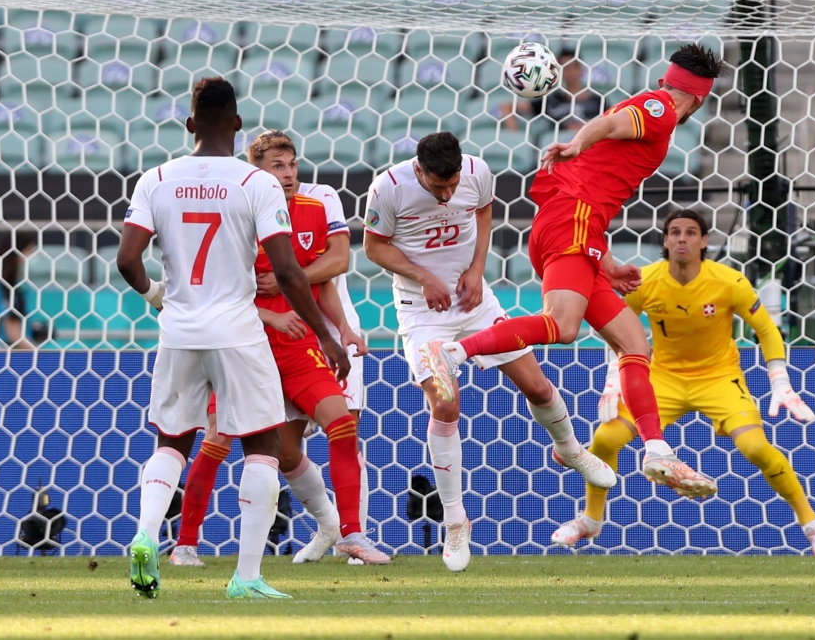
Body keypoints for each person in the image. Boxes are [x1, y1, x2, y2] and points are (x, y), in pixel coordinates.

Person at [421, 44, 729, 500]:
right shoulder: (660, 107)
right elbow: (606, 125)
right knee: (563, 327)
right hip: (573, 218)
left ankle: (657, 450)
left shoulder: (656, 106)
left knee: (634, 344)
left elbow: (603, 169)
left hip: (579, 226)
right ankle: (451, 354)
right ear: (700, 99)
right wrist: (578, 140)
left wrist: (603, 260)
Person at [118, 77, 350, 600]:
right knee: (263, 447)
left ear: (189, 124)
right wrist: (326, 336)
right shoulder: (256, 184)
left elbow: (126, 260)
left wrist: (158, 294)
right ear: (239, 124)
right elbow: (289, 272)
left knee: (172, 441)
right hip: (239, 332)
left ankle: (145, 535)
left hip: (178, 329)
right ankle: (246, 576)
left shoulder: (156, 178)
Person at [363, 131, 615, 572]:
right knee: (445, 405)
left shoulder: (478, 172)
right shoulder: (388, 188)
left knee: (537, 386)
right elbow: (372, 246)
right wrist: (424, 277)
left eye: (451, 184)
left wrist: (478, 269)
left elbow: (483, 211)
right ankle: (456, 521)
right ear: (419, 170)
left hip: (476, 303)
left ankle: (570, 449)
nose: (446, 195)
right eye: (437, 186)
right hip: (422, 314)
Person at [550, 209, 815, 557]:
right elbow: (616, 329)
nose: (681, 239)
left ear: (704, 241)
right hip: (662, 379)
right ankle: (590, 521)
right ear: (665, 241)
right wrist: (614, 379)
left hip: (719, 378)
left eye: (690, 232)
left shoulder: (729, 282)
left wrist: (780, 381)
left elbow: (765, 328)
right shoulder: (645, 281)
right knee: (606, 437)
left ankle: (812, 525)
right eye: (674, 232)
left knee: (758, 450)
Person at [168, 129, 389, 568]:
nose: (288, 175)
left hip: (297, 344)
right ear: (256, 171)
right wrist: (270, 315)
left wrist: (342, 329)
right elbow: (215, 289)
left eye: (291, 166)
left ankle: (352, 534)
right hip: (242, 346)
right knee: (217, 440)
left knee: (341, 425)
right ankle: (185, 544)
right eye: (277, 167)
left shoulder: (311, 208)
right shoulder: (235, 215)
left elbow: (324, 281)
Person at [498, 49, 603, 133]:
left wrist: (583, 127)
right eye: (565, 68)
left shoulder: (599, 101)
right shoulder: (552, 101)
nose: (569, 72)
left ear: (581, 69)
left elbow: (608, 125)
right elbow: (507, 106)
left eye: (573, 67)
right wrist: (515, 135)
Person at [0, 230, 41, 350]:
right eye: (29, 250)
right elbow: (12, 331)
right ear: (17, 252)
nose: (32, 255)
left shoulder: (12, 284)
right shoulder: (7, 286)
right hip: (1, 353)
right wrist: (41, 356)